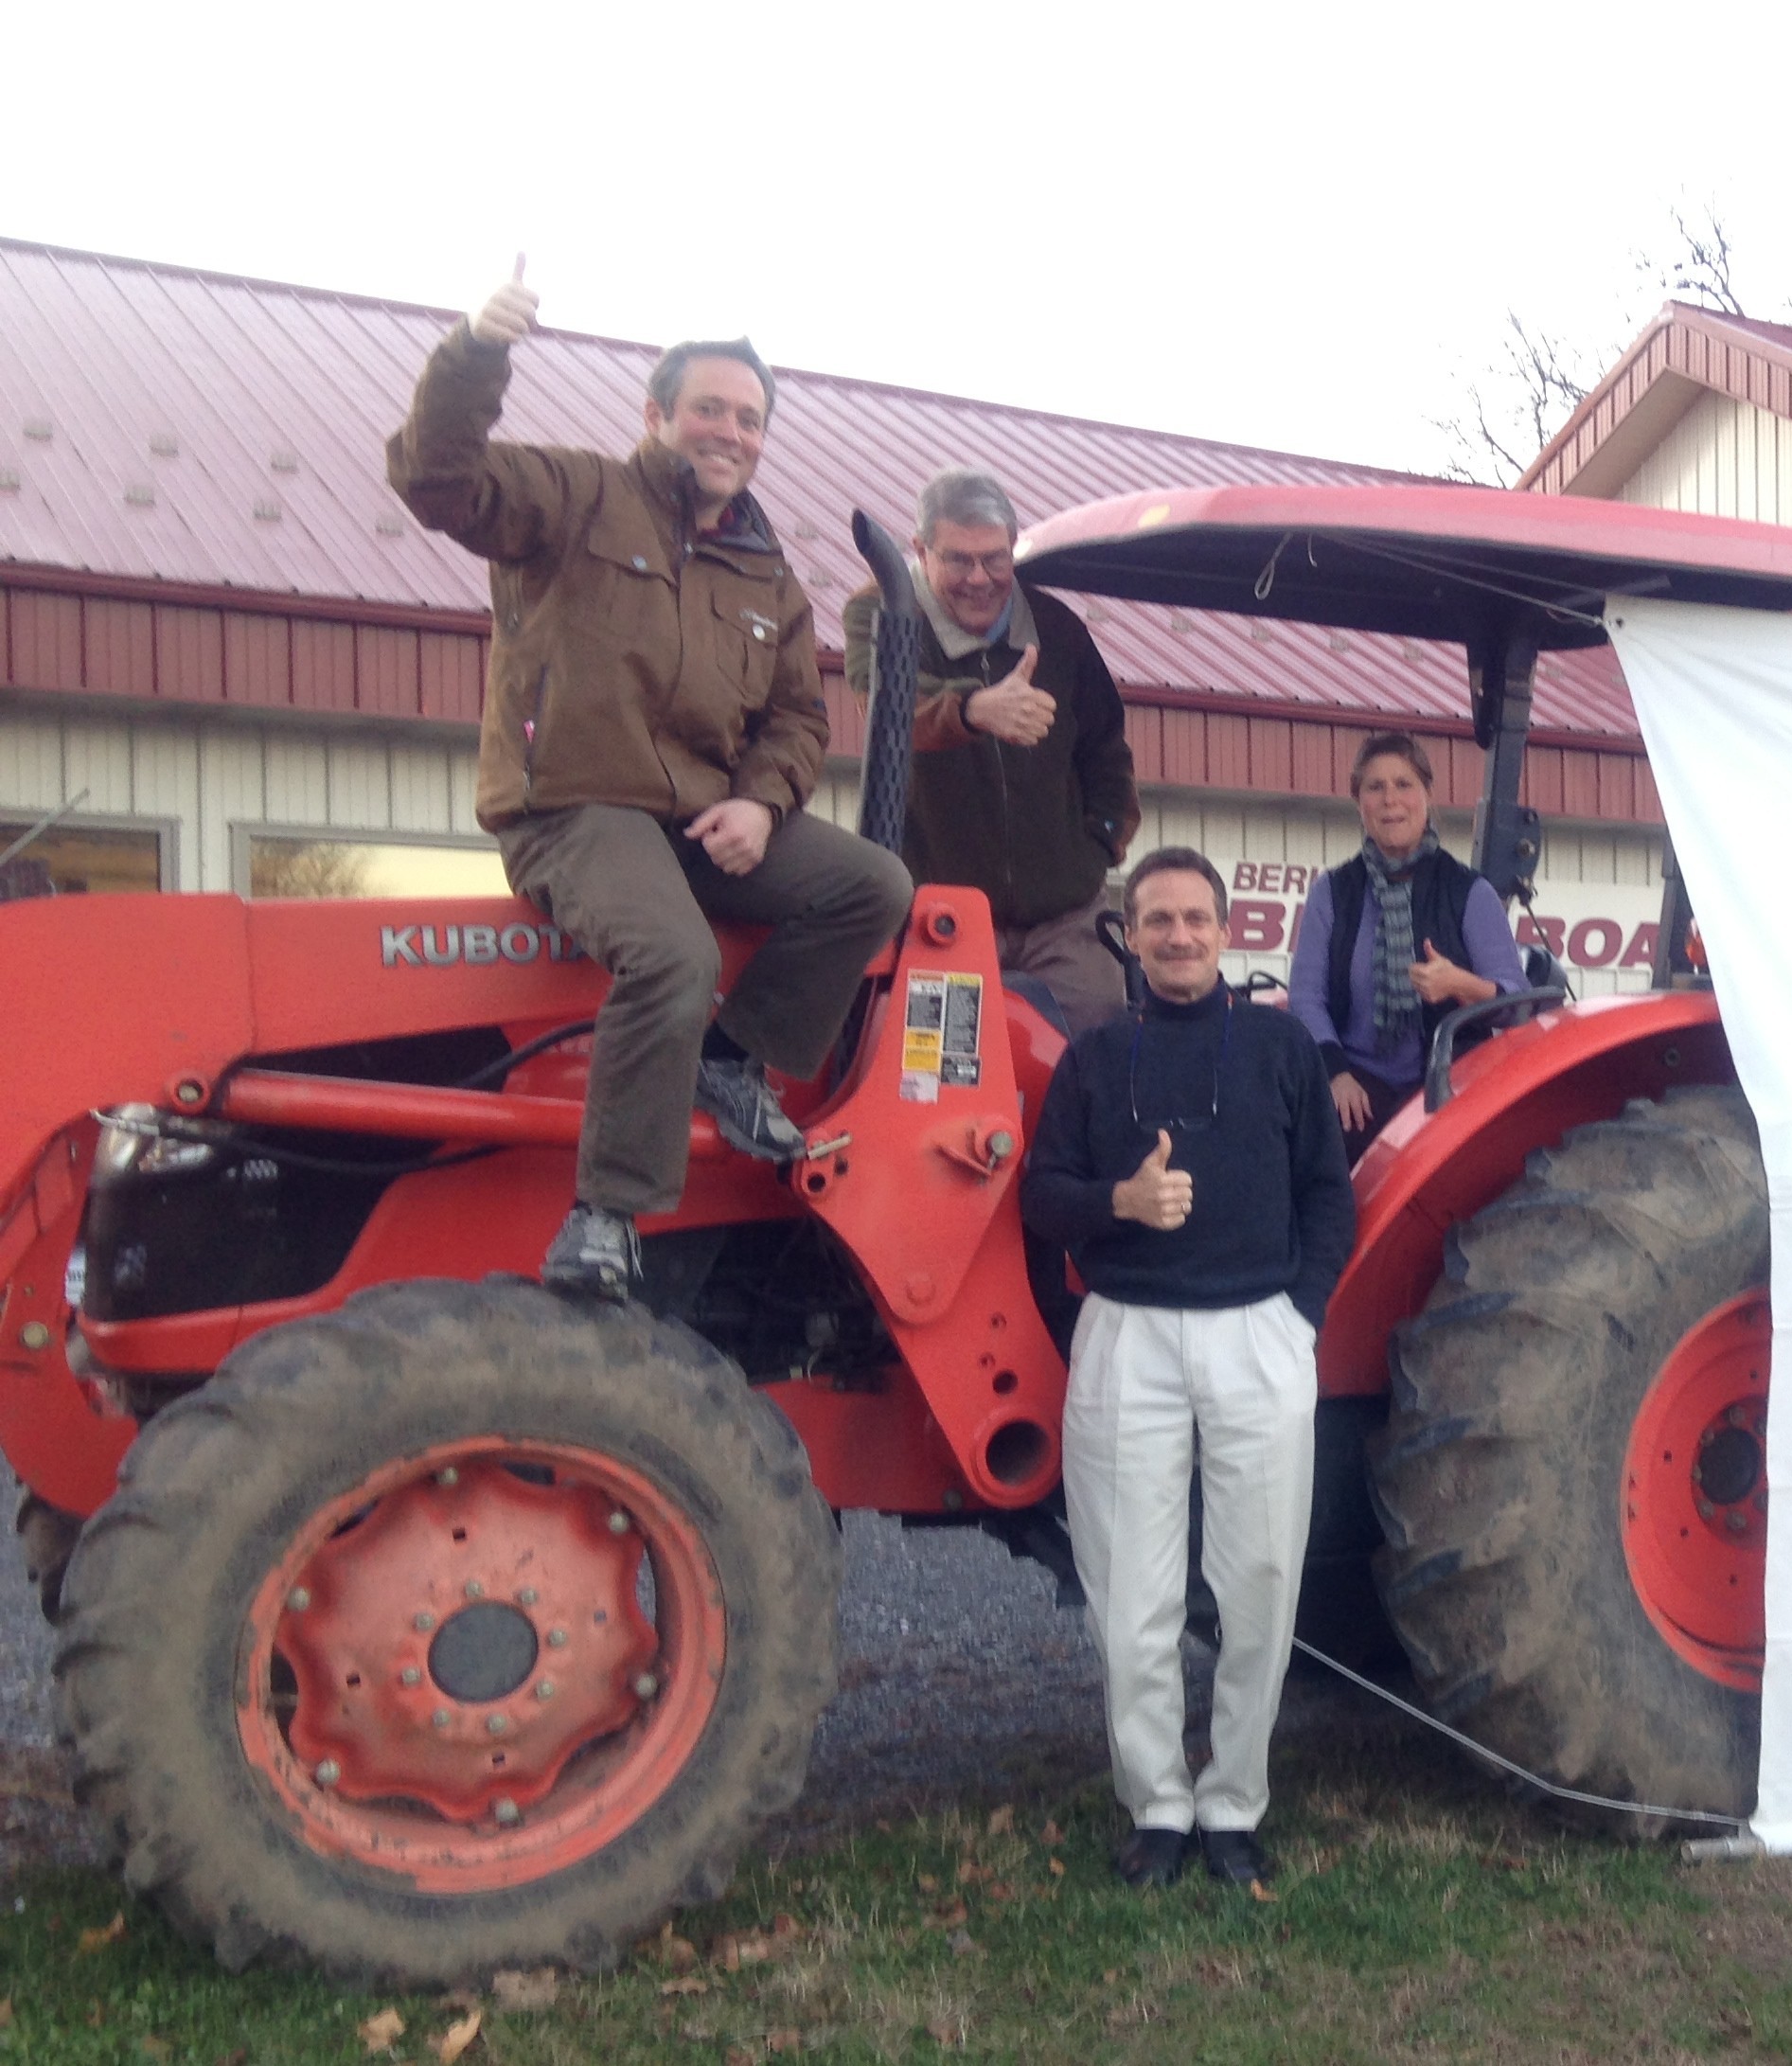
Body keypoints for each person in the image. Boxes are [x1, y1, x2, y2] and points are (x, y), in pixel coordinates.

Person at [386, 262, 914, 1302]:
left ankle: (733, 1060)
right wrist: (476, 352)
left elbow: (797, 720)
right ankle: (607, 1214)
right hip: (575, 808)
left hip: (698, 820)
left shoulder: (767, 576)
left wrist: (761, 801)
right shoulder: (574, 498)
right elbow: (438, 478)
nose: (730, 432)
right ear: (657, 415)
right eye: (709, 409)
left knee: (876, 885)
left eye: (749, 419)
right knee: (673, 953)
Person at [1022, 848, 1354, 1890]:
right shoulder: (1093, 1057)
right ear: (1130, 934)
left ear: (1225, 930)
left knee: (1259, 1583)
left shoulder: (1280, 1048)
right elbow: (1041, 1198)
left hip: (1257, 1333)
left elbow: (1328, 1194)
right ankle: (1159, 1805)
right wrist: (1118, 1205)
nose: (1178, 936)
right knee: (1132, 1596)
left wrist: (1299, 1319)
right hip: (1130, 1335)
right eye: (1157, 919)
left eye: (1195, 918)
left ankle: (1235, 1802)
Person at [843, 468, 1139, 1032]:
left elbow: (1106, 748)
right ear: (920, 550)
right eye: (958, 560)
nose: (979, 579)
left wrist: (1100, 842)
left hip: (1063, 917)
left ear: (1013, 548)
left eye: (995, 559)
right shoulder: (879, 611)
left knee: (1098, 1050)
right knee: (937, 1062)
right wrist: (972, 709)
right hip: (941, 912)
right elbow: (886, 706)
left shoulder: (1059, 628)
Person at [1286, 733, 1527, 1161]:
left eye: (1403, 784)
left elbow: (1518, 1003)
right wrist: (1335, 1074)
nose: (1390, 800)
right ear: (1358, 802)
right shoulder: (1332, 892)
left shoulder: (1470, 892)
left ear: (1427, 795)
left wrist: (1459, 984)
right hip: (1356, 1086)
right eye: (1375, 787)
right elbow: (1306, 997)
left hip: (1450, 1084)